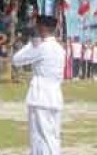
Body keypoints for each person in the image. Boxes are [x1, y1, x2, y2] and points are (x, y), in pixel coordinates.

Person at [12, 15, 65, 155]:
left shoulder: (42, 47)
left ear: (42, 28)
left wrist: (31, 43)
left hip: (40, 97)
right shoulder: (60, 49)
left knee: (39, 138)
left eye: (37, 27)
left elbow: (16, 60)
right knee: (52, 136)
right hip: (54, 95)